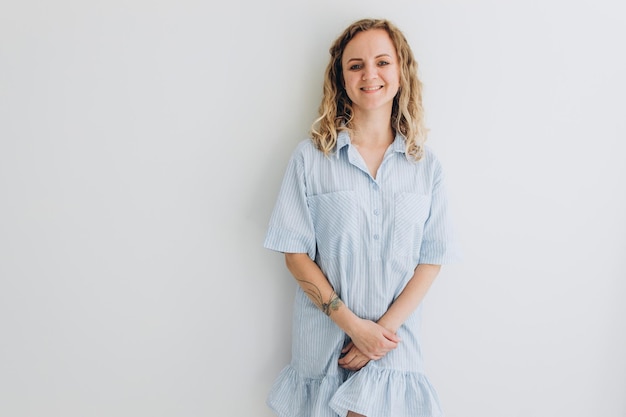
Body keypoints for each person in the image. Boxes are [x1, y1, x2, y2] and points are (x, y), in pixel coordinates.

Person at [263, 18, 460, 417]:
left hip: (394, 351)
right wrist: (355, 327)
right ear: (342, 79)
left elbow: (431, 259)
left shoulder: (426, 166)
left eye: (382, 62)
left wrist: (379, 336)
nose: (370, 74)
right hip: (325, 352)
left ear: (400, 72)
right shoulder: (310, 159)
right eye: (356, 65)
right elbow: (295, 255)